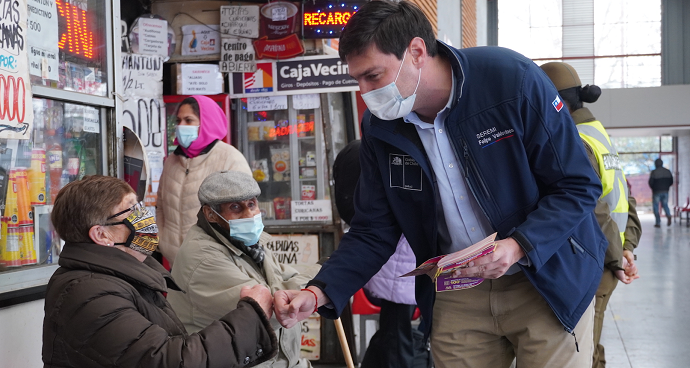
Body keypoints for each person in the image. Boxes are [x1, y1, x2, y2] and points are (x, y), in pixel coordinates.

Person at [273, 2, 607, 368]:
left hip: (547, 277)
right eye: (357, 80)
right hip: (458, 291)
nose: (366, 93)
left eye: (373, 76)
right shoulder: (380, 128)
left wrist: (518, 246)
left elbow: (577, 184)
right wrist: (319, 291)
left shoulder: (512, 81)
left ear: (416, 51)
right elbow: (373, 229)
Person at [42, 175, 278, 368]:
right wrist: (251, 314)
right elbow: (168, 360)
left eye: (141, 206)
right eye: (132, 211)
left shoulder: (126, 277)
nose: (145, 216)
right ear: (101, 235)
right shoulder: (88, 292)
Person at [541, 61, 641, 368]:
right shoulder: (598, 133)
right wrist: (627, 247)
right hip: (610, 256)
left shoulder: (575, 140)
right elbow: (625, 194)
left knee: (581, 353)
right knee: (590, 345)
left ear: (555, 102)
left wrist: (615, 258)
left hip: (595, 261)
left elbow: (594, 207)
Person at [167, 170, 320, 368]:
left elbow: (283, 277)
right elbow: (270, 311)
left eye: (251, 204)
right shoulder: (202, 257)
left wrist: (324, 276)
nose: (249, 214)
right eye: (235, 207)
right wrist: (320, 282)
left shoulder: (249, 244)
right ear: (210, 214)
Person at [333, 140, 429, 368]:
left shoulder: (361, 152)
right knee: (396, 332)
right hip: (403, 262)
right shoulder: (401, 156)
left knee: (392, 329)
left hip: (392, 262)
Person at [157, 95, 252, 268]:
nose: (181, 126)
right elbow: (162, 207)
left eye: (189, 120)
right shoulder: (172, 160)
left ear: (207, 123)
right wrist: (164, 242)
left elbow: (245, 214)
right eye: (178, 120)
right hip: (176, 263)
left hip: (215, 264)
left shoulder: (229, 158)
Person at [648, 158, 673, 227]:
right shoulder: (668, 171)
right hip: (665, 191)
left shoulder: (654, 172)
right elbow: (671, 182)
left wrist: (654, 188)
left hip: (656, 192)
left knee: (656, 206)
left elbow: (650, 182)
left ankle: (658, 222)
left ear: (655, 164)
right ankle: (668, 215)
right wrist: (666, 187)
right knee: (665, 205)